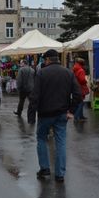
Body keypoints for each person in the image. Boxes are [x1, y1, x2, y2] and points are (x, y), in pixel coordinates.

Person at [29, 49, 81, 183]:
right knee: (61, 142)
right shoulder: (68, 73)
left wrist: (31, 115)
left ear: (47, 60)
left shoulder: (41, 73)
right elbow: (77, 94)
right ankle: (60, 174)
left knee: (41, 139)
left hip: (44, 114)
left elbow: (35, 96)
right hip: (62, 114)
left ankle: (45, 168)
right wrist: (72, 111)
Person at [72, 57, 89, 122]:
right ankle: (76, 117)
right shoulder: (81, 70)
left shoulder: (75, 68)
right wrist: (86, 81)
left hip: (76, 87)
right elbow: (82, 80)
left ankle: (81, 116)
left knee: (80, 102)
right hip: (81, 87)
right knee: (80, 103)